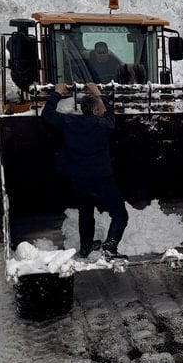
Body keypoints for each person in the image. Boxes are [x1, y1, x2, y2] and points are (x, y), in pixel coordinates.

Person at [41, 82, 129, 258]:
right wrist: (98, 93)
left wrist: (57, 93)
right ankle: (110, 248)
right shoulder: (105, 125)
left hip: (79, 178)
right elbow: (111, 114)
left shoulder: (69, 122)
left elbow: (47, 114)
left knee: (86, 212)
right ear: (96, 111)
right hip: (103, 179)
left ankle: (87, 246)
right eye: (101, 108)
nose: (104, 109)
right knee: (120, 215)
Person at [6, 25, 37, 95]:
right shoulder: (32, 41)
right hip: (28, 72)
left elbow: (8, 46)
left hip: (20, 72)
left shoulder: (13, 41)